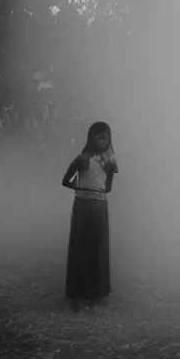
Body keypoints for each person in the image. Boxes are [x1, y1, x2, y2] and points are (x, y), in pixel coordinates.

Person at [62, 122, 119, 310]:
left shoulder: (110, 160)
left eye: (106, 136)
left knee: (98, 247)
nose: (104, 140)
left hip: (99, 207)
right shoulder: (83, 158)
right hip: (83, 206)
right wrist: (82, 189)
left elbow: (109, 186)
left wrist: (91, 189)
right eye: (99, 136)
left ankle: (97, 292)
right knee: (80, 246)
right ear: (91, 137)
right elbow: (66, 180)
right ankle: (77, 294)